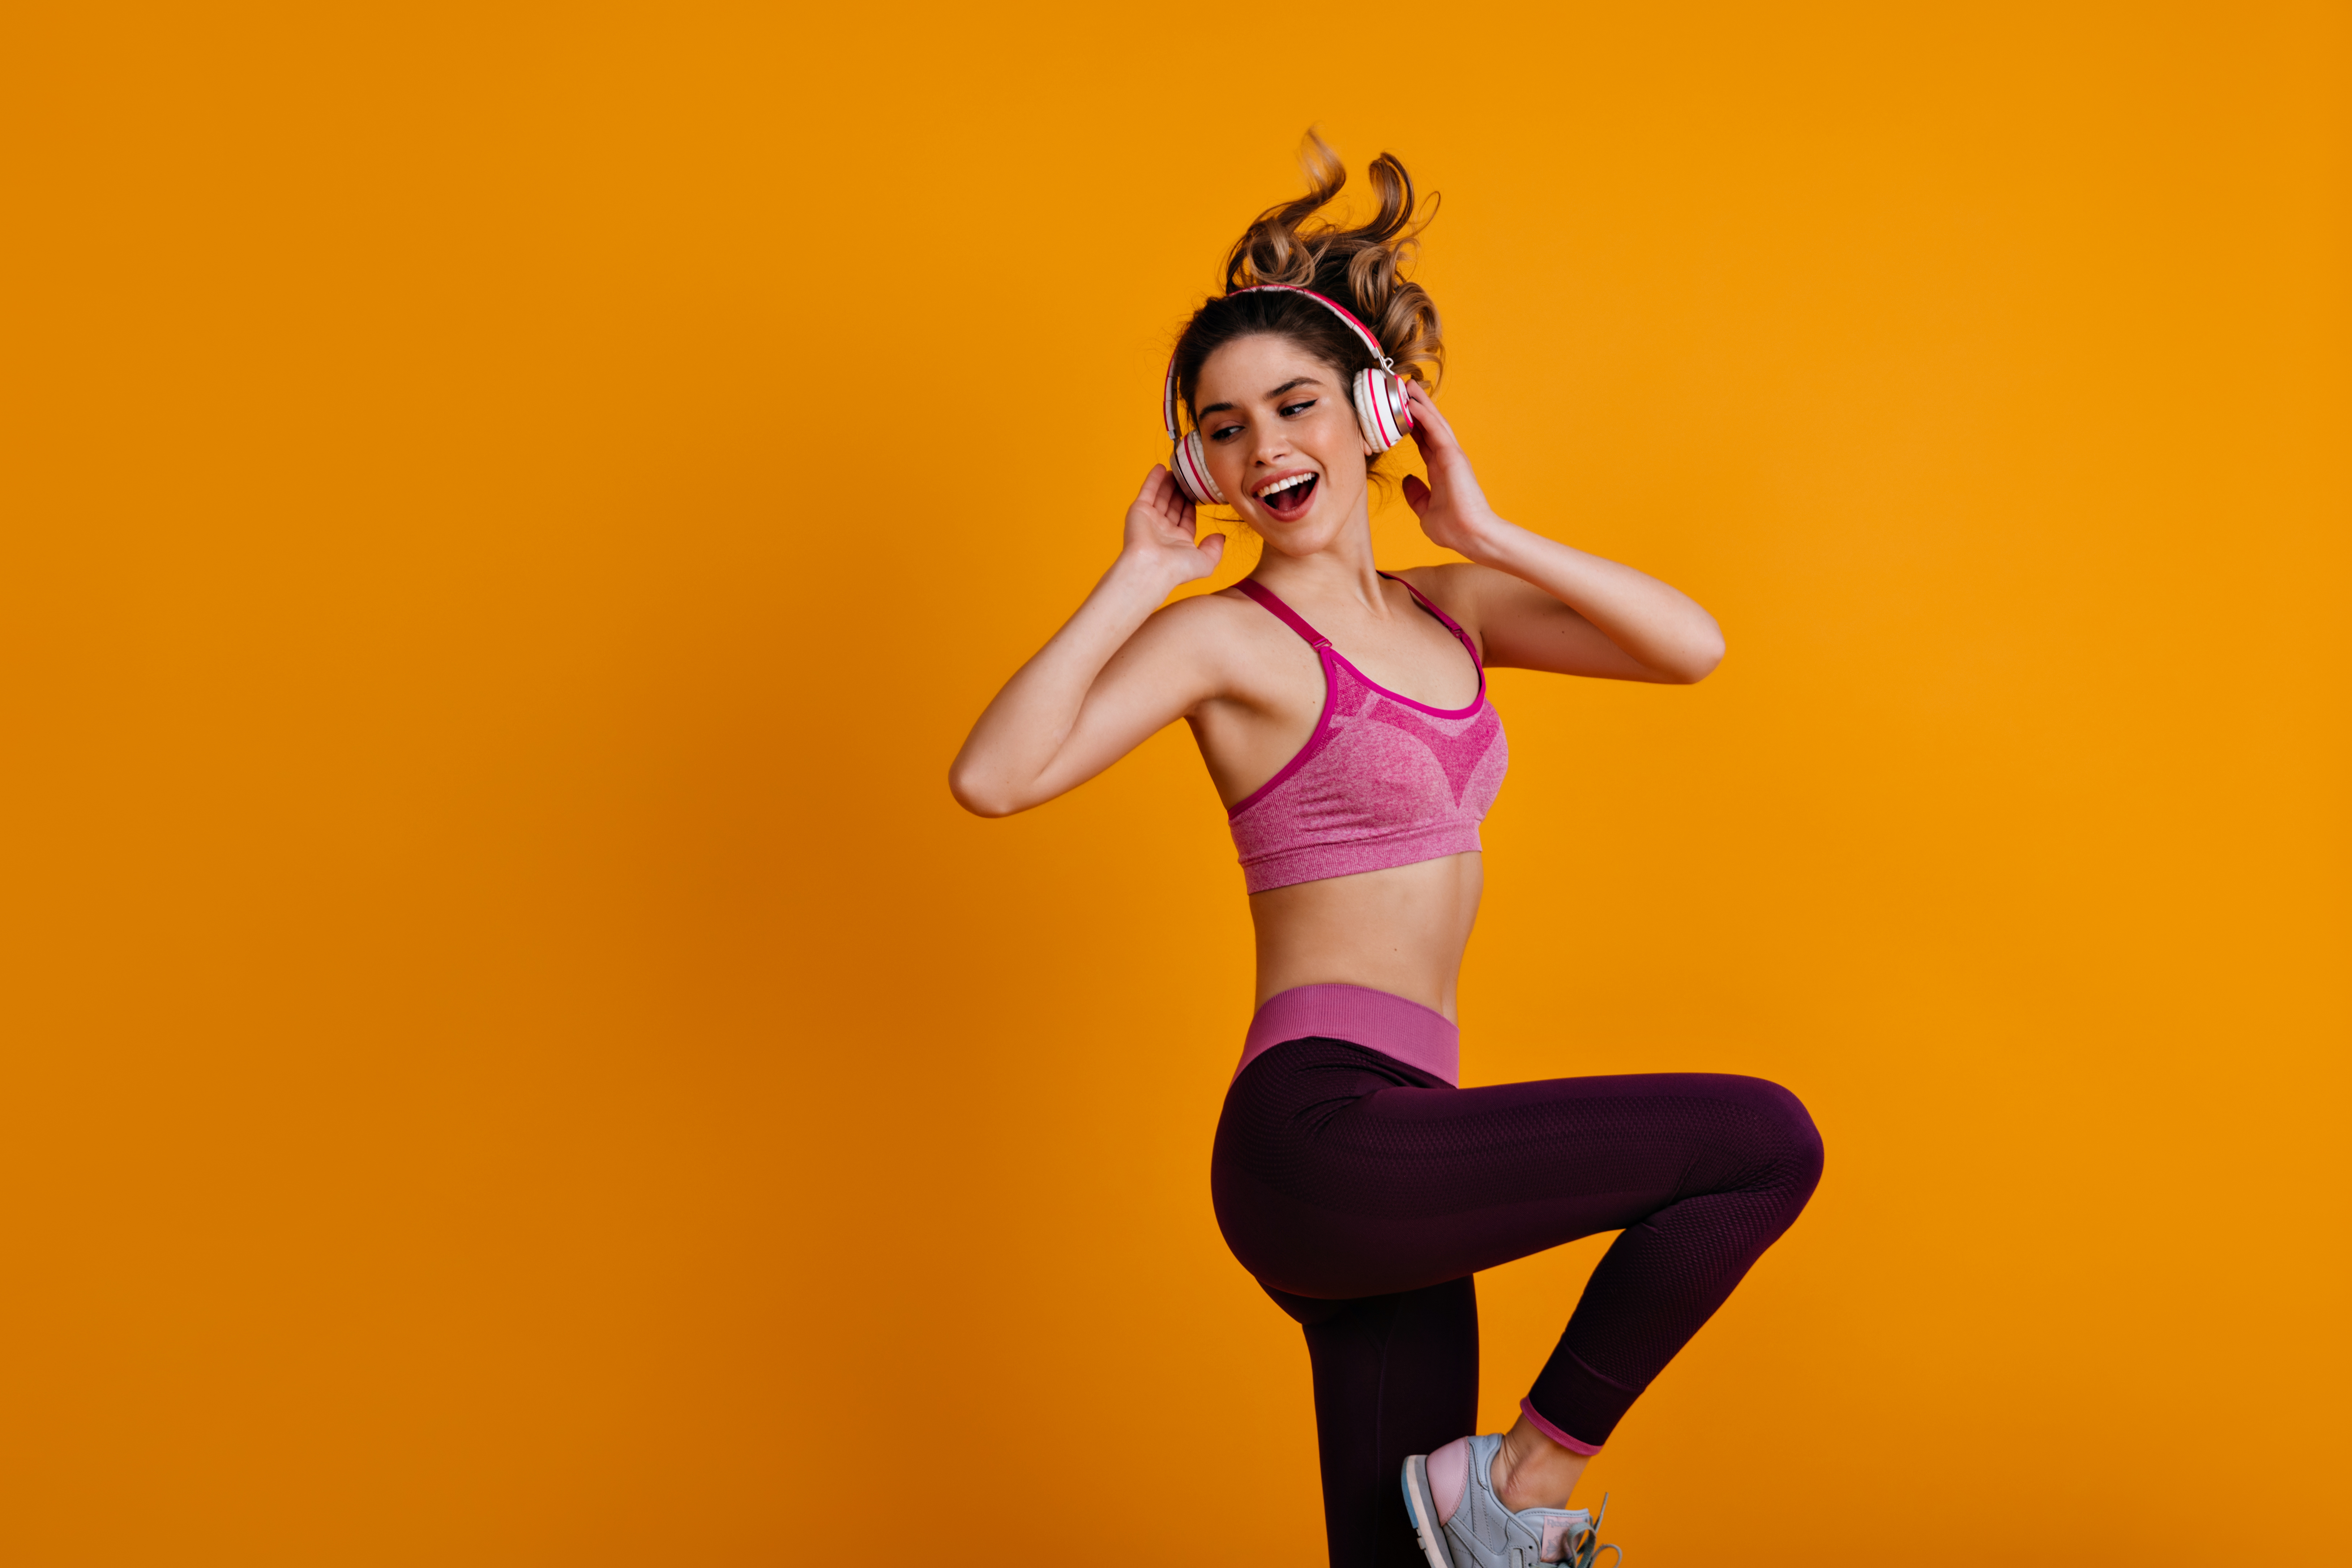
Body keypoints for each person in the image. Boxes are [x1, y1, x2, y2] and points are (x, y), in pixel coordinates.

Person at [949, 135, 1823, 1568]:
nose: (1263, 447)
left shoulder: (1451, 614)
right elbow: (992, 776)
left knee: (1395, 1556)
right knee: (1758, 1138)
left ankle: (1473, 1511)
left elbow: (1692, 647)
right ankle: (1520, 1483)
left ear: (1374, 411)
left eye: (1293, 404)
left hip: (1410, 1133)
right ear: (1197, 461)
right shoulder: (1224, 635)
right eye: (1221, 427)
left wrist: (1486, 525)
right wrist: (1137, 574)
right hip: (1319, 1137)